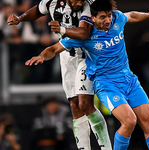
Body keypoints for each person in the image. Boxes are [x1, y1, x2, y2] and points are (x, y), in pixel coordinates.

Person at [25, 0, 149, 149]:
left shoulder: (117, 18)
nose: (107, 20)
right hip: (107, 84)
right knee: (129, 121)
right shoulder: (84, 37)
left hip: (129, 80)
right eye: (102, 17)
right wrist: (42, 56)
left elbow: (131, 15)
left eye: (109, 16)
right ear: (93, 18)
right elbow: (54, 49)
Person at [7, 0, 112, 149]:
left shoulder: (89, 4)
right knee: (74, 106)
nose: (79, 2)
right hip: (66, 57)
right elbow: (37, 10)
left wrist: (62, 29)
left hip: (87, 57)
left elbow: (84, 32)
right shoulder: (52, 1)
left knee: (85, 104)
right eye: (76, 0)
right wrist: (21, 18)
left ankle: (106, 147)